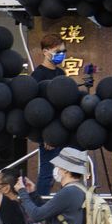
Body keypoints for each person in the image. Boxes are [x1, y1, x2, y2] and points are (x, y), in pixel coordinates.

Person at [30, 34, 67, 199]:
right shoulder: (38, 76)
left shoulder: (61, 73)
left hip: (64, 128)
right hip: (49, 133)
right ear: (45, 52)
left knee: (67, 170)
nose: (61, 54)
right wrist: (47, 135)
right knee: (47, 173)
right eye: (57, 51)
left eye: (63, 51)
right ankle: (40, 205)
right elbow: (37, 110)